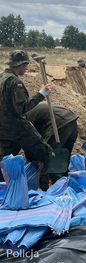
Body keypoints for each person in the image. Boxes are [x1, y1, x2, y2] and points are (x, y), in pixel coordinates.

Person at [0, 50, 52, 182]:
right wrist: (41, 94)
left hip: (3, 129)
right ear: (20, 64)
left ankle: (4, 191)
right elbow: (23, 108)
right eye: (26, 64)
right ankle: (52, 184)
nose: (27, 67)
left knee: (3, 162)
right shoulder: (14, 82)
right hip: (18, 128)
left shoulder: (1, 78)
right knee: (46, 153)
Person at [25, 102, 79, 190]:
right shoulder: (30, 108)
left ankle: (43, 188)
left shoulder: (21, 117)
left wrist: (31, 159)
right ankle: (64, 185)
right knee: (63, 158)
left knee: (47, 154)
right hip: (72, 121)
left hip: (58, 123)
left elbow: (29, 142)